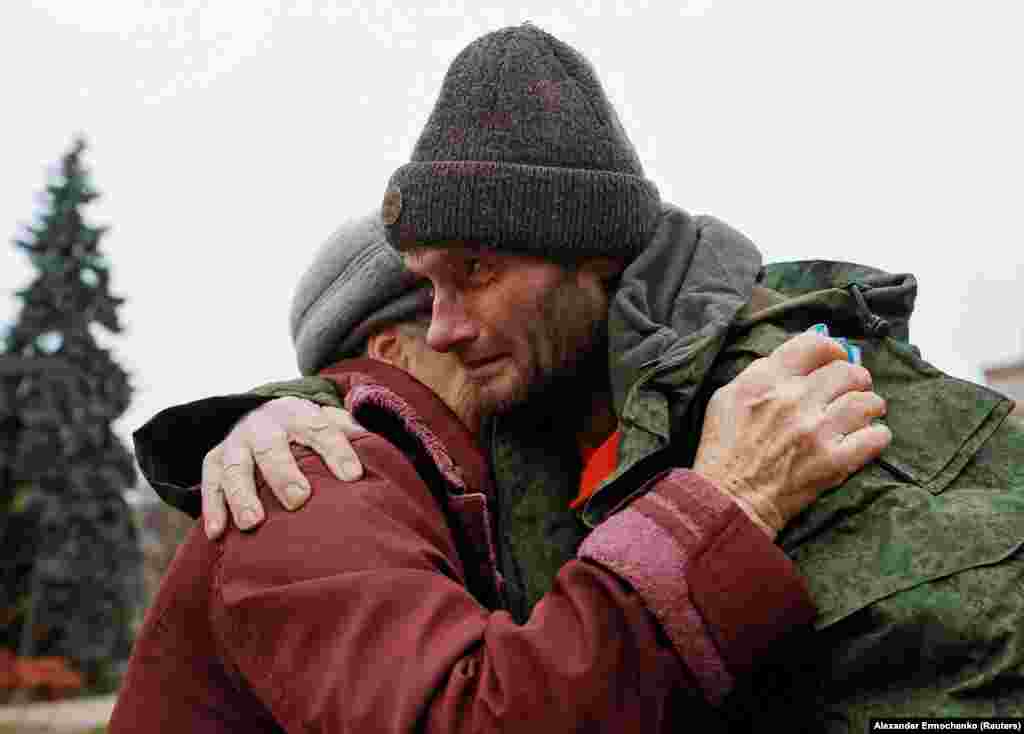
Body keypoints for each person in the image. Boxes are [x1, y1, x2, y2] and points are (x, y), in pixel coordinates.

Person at [134, 24, 1024, 726]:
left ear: (590, 255)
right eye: (425, 291)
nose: (441, 328)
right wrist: (279, 412)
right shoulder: (518, 409)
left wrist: (733, 501)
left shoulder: (798, 404)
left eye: (475, 272)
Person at [111, 213, 831, 733]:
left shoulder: (436, 486)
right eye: (450, 310)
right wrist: (719, 509)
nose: (478, 335)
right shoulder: (314, 478)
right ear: (393, 349)